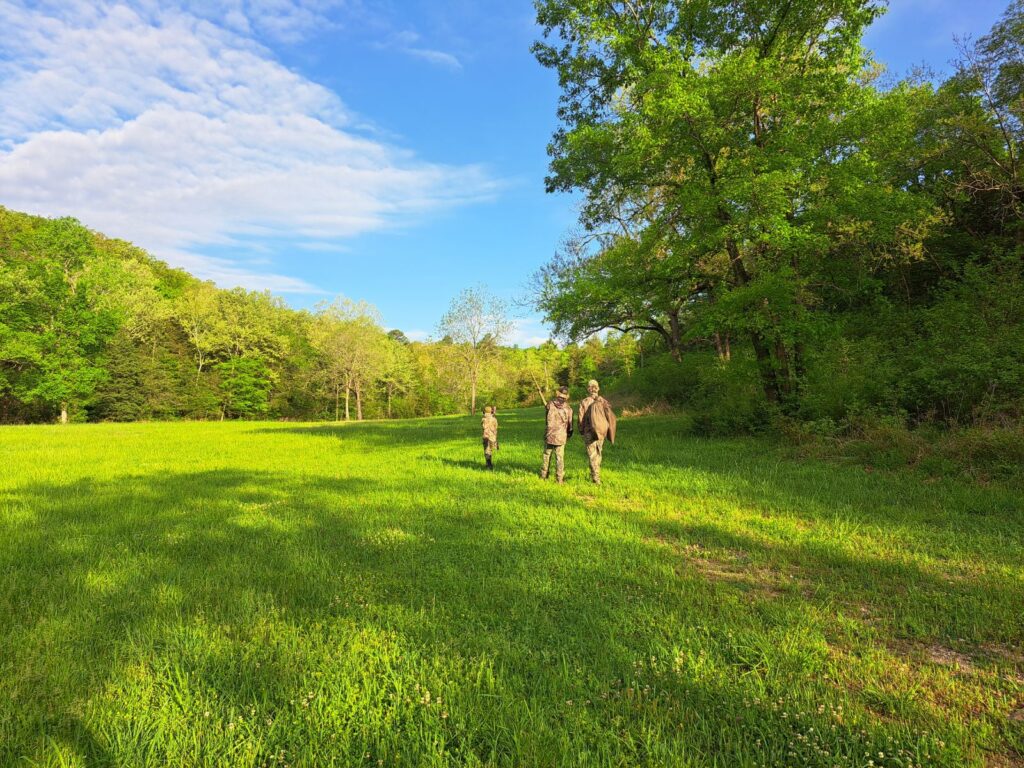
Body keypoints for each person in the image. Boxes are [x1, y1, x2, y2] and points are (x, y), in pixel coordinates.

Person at [578, 379, 616, 485]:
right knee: (598, 453)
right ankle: (596, 474)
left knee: (592, 455)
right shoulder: (603, 401)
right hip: (601, 432)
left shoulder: (584, 402)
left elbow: (580, 419)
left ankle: (595, 477)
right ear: (598, 388)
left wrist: (582, 431)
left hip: (589, 432)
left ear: (588, 389)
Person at [540, 386, 573, 484]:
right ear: (567, 396)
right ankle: (559, 479)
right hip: (561, 436)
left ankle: (543, 476)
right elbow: (570, 426)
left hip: (549, 435)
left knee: (546, 455)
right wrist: (569, 435)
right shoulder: (568, 409)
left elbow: (546, 408)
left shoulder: (550, 404)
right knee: (559, 458)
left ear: (557, 394)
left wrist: (541, 393)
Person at [481, 405, 498, 470]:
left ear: (484, 412)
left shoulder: (483, 419)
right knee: (490, 450)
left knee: (487, 450)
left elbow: (483, 425)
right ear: (491, 411)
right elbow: (496, 427)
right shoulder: (494, 419)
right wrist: (493, 415)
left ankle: (488, 464)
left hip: (485, 437)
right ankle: (489, 464)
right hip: (492, 437)